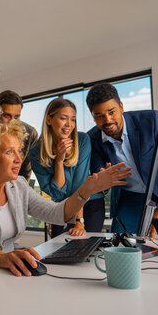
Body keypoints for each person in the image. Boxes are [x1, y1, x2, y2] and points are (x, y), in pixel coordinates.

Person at [0, 121, 131, 295]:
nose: (19, 158)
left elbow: (57, 213)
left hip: (2, 274)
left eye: (19, 151)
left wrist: (87, 189)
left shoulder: (18, 185)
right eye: (10, 152)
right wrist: (2, 258)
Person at [86, 83, 158, 250]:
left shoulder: (152, 121)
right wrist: (102, 179)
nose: (107, 120)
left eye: (111, 112)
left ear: (121, 107)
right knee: (120, 253)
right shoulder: (92, 139)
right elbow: (98, 177)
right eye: (99, 115)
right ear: (92, 116)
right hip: (129, 199)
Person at [29, 97, 106, 237]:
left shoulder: (82, 140)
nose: (69, 124)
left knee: (88, 248)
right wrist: (59, 160)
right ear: (49, 120)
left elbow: (80, 185)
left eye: (73, 119)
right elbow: (57, 194)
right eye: (64, 118)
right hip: (61, 207)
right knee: (59, 249)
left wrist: (79, 221)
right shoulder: (35, 153)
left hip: (89, 204)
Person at [0, 90, 38, 180]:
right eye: (7, 116)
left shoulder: (30, 133)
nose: (12, 122)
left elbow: (25, 173)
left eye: (16, 117)